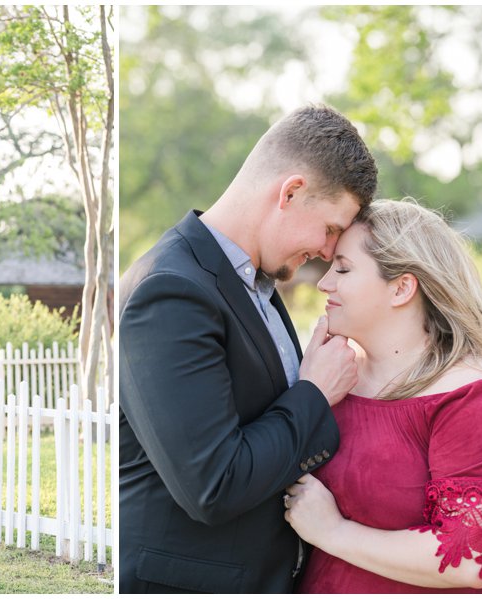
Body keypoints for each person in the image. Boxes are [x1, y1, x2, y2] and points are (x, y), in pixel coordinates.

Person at [118, 105, 378, 593]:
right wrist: (314, 392)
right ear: (291, 192)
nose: (327, 252)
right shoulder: (171, 290)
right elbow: (213, 485)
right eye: (328, 229)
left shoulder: (255, 285)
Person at [285, 199, 482, 593]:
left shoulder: (473, 392)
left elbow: (471, 557)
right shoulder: (331, 376)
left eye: (342, 269)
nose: (323, 283)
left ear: (402, 287)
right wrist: (309, 393)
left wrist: (334, 532)